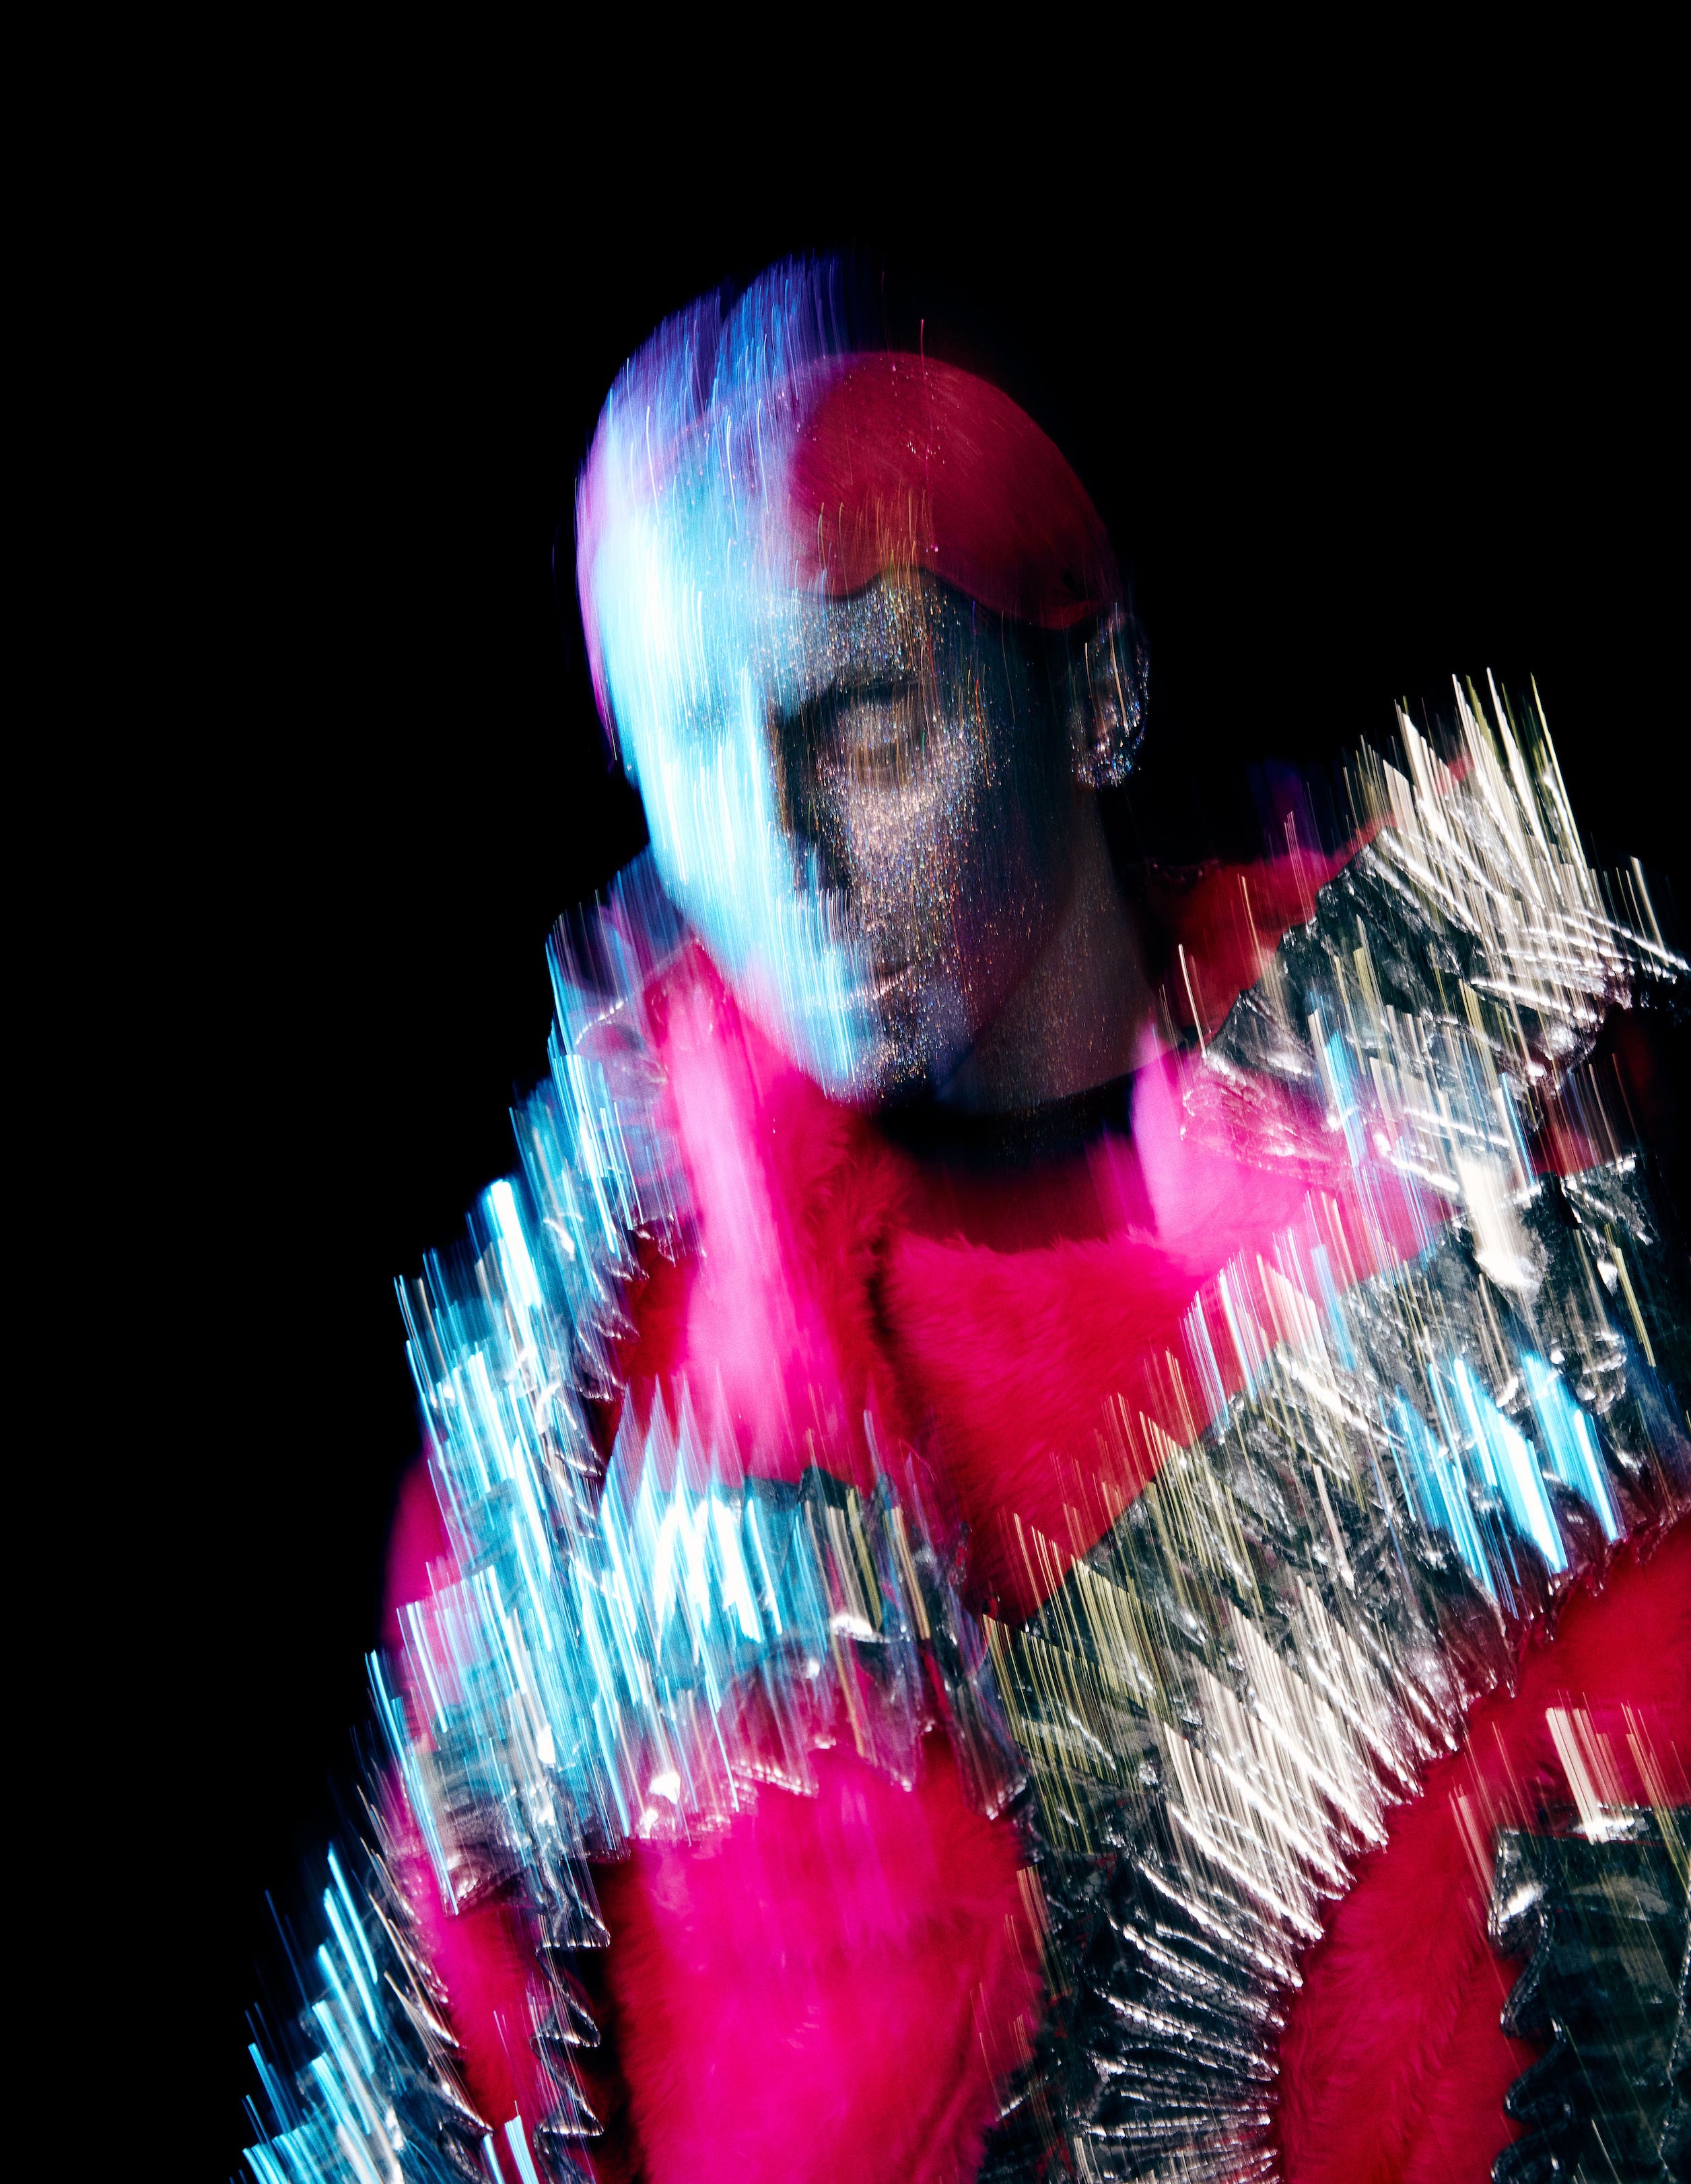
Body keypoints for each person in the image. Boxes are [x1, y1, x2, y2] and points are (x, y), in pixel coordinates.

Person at [244, 261, 1690, 2184]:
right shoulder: (574, 1394)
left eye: (862, 714)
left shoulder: (1488, 1201)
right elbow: (428, 2099)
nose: (776, 843)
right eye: (687, 744)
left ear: (1095, 686)